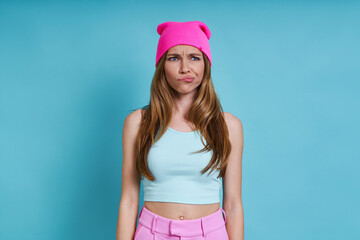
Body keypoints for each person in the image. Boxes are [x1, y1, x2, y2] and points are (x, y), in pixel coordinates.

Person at [116, 21, 244, 240]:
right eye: (174, 57)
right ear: (161, 65)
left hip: (210, 234)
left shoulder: (228, 126)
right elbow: (129, 201)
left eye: (194, 57)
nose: (185, 68)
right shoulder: (137, 123)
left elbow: (232, 204)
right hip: (151, 233)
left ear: (206, 64)